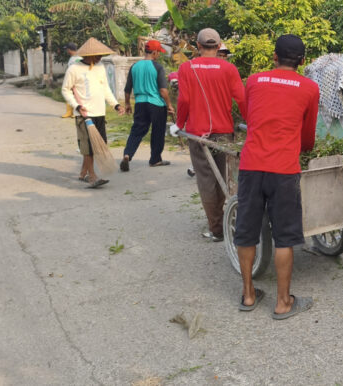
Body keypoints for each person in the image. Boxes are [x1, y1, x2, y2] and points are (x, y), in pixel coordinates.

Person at [235, 34, 319, 319]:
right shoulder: (309, 88)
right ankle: (283, 302)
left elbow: (252, 116)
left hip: (251, 165)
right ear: (302, 62)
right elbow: (308, 134)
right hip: (284, 169)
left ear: (274, 56)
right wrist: (304, 148)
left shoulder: (254, 81)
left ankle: (248, 295)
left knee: (246, 230)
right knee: (284, 237)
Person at [170, 28, 245, 242]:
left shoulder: (187, 68)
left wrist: (178, 124)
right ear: (219, 45)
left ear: (198, 46)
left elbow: (183, 101)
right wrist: (250, 121)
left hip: (199, 133)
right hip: (224, 132)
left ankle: (216, 229)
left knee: (206, 180)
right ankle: (226, 219)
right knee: (224, 175)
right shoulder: (229, 68)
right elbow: (241, 98)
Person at [61, 37, 125, 188]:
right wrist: (76, 106)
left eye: (101, 55)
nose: (100, 58)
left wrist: (115, 105)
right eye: (97, 55)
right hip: (84, 114)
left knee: (96, 145)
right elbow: (65, 90)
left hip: (99, 113)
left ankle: (83, 173)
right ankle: (92, 176)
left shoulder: (100, 67)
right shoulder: (74, 69)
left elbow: (105, 89)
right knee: (88, 147)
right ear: (87, 55)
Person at [120, 40, 174, 171]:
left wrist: (127, 104)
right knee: (158, 131)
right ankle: (155, 160)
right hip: (156, 104)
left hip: (140, 103)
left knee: (137, 130)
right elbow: (163, 91)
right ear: (154, 52)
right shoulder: (157, 67)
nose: (158, 56)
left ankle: (127, 154)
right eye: (158, 53)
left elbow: (127, 89)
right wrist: (169, 105)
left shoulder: (135, 66)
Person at [61, 43, 82, 118]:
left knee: (77, 96)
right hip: (71, 80)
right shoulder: (72, 58)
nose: (66, 51)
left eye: (67, 49)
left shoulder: (79, 58)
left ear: (69, 50)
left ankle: (75, 112)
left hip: (77, 80)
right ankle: (69, 112)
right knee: (69, 95)